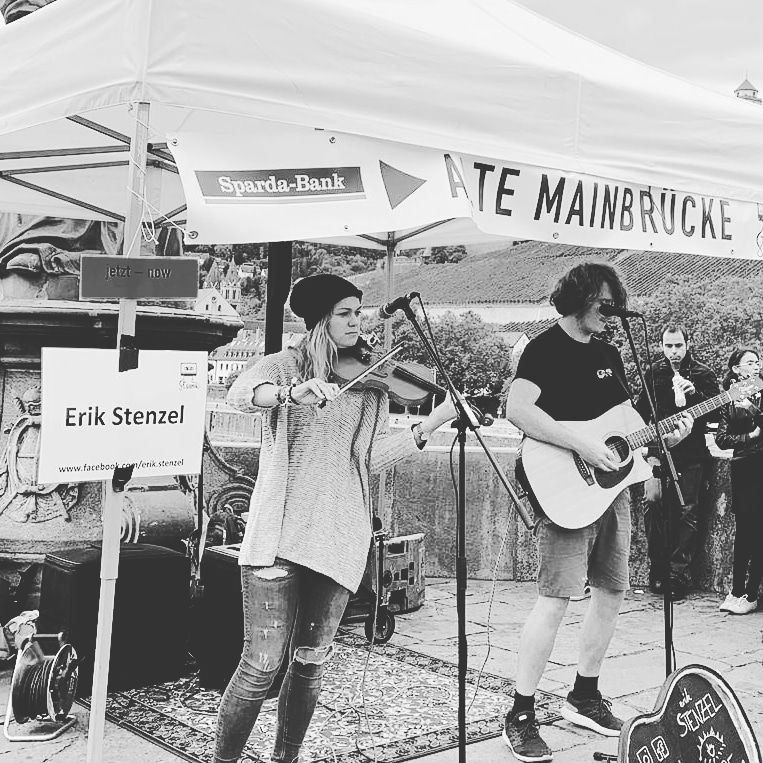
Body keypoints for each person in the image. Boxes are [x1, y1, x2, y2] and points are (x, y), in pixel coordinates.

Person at [215, 273, 456, 763]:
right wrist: (291, 394)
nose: (356, 322)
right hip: (279, 534)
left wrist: (433, 421)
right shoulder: (285, 365)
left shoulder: (370, 385)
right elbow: (239, 395)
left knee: (310, 663)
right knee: (261, 665)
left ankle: (286, 758)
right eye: (344, 313)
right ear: (319, 319)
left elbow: (369, 457)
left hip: (340, 534)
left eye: (358, 313)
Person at [504, 262, 692, 762]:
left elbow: (627, 425)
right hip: (564, 486)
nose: (613, 313)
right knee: (555, 599)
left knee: (612, 591)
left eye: (616, 305)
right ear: (579, 297)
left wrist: (667, 437)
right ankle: (520, 712)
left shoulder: (609, 353)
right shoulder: (544, 348)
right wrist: (582, 445)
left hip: (612, 490)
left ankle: (584, 695)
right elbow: (517, 410)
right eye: (605, 304)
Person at [635, 326, 720, 600]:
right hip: (658, 451)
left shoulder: (704, 374)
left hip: (692, 454)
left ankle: (677, 574)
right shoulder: (653, 373)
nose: (674, 351)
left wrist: (694, 394)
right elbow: (640, 413)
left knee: (687, 511)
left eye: (678, 345)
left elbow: (717, 415)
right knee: (652, 501)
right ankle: (658, 568)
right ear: (661, 346)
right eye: (668, 346)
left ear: (687, 344)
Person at [715, 348, 763, 615]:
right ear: (736, 369)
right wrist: (750, 436)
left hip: (761, 465)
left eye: (758, 362)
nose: (756, 367)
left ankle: (751, 593)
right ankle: (735, 591)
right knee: (743, 531)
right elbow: (722, 439)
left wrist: (753, 410)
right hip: (742, 466)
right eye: (750, 363)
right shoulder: (731, 397)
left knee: (758, 532)